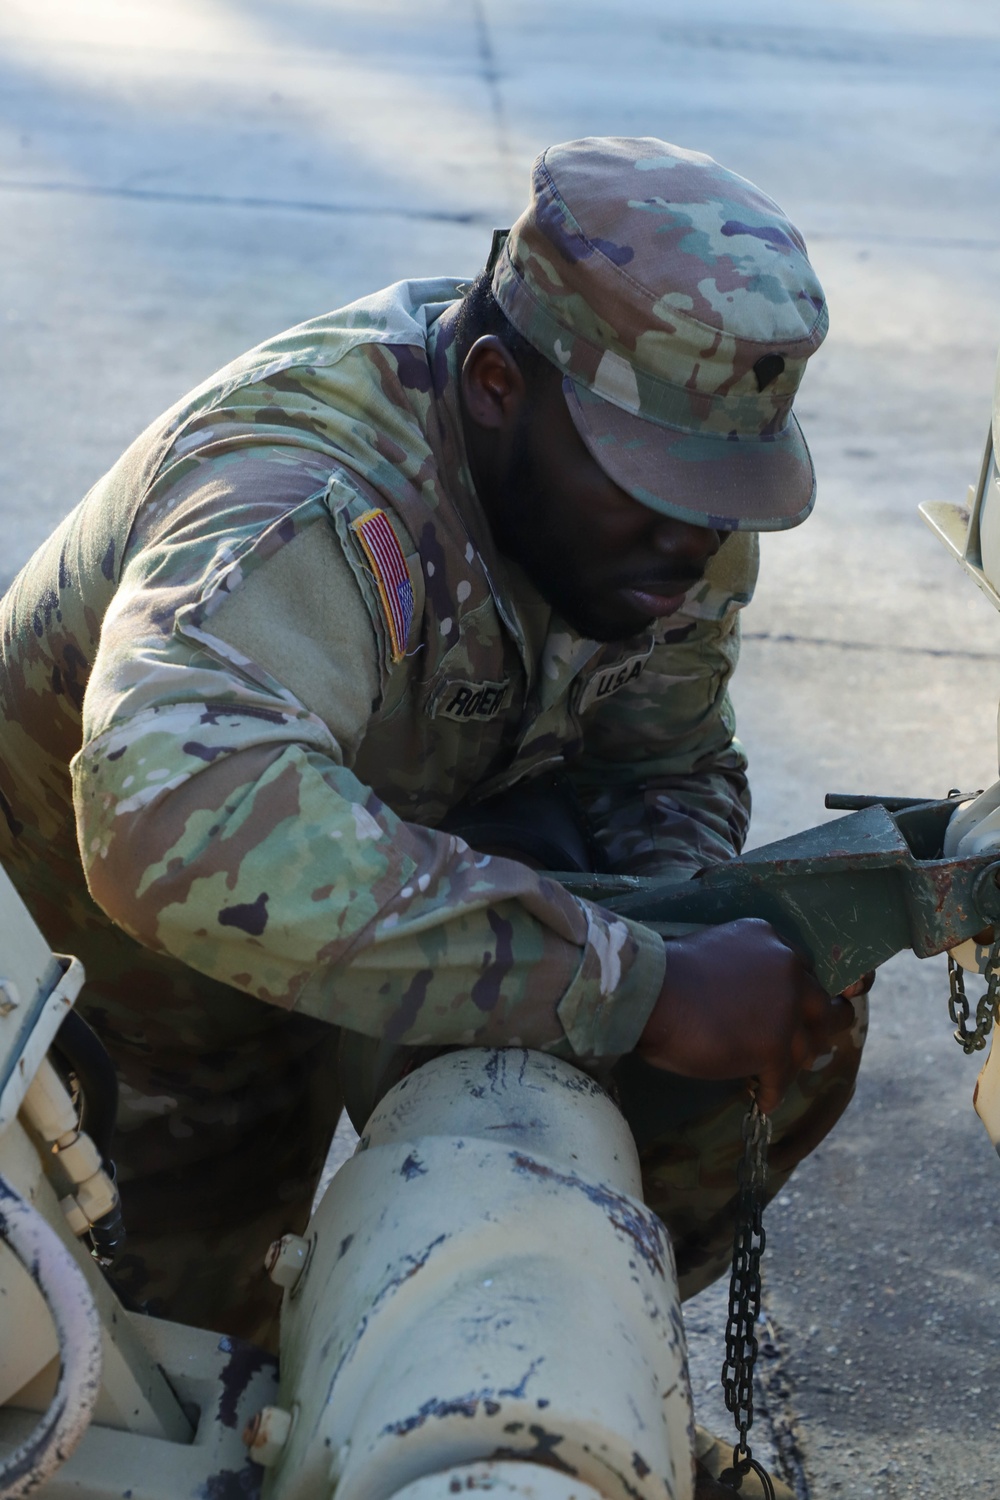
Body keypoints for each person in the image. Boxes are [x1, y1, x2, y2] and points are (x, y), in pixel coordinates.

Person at [0, 137, 866, 1383]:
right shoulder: (306, 495)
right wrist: (630, 981)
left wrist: (671, 921)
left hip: (377, 899)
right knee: (145, 1380)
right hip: (104, 1003)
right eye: (653, 484)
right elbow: (171, 825)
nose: (699, 539)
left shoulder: (668, 520)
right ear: (498, 383)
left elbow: (661, 766)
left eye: (724, 490)